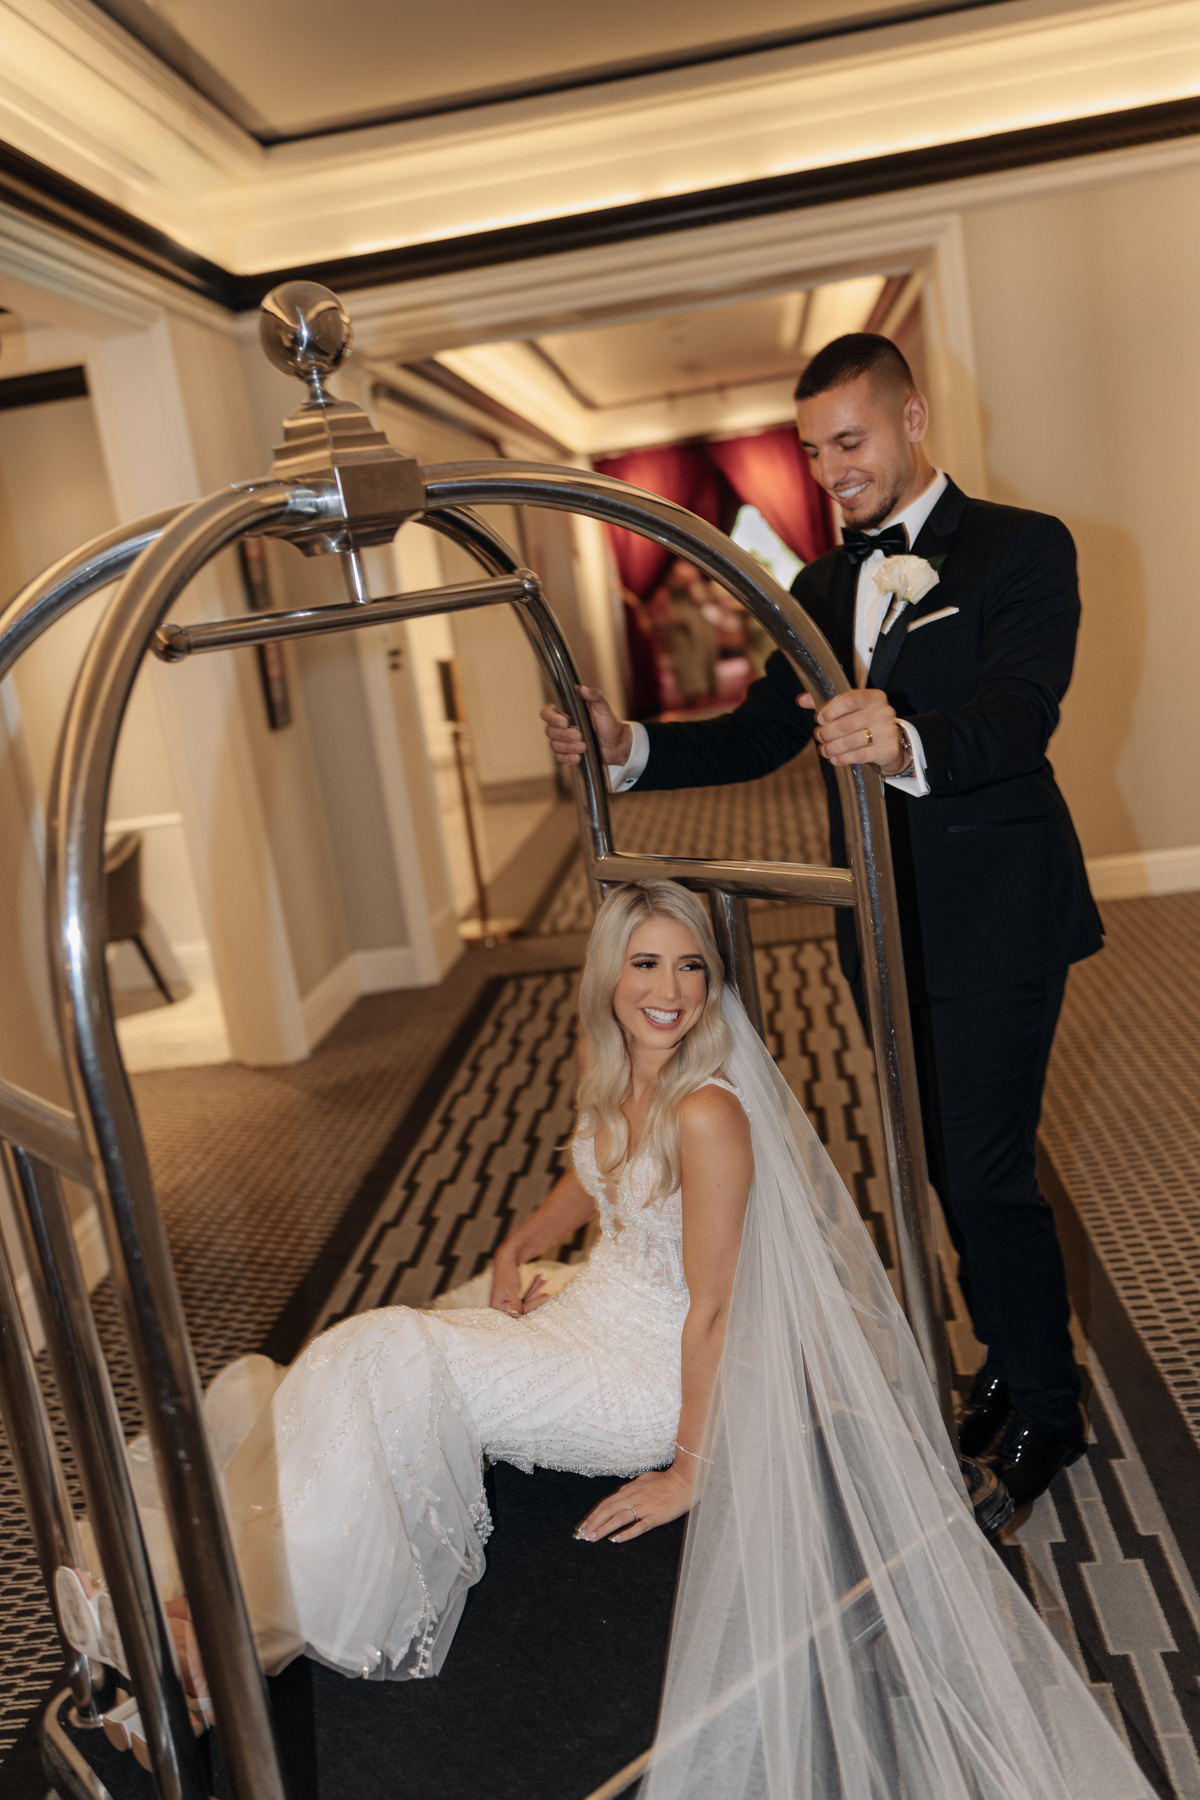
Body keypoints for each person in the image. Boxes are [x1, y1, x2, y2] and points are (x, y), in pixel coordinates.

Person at [58, 880, 1145, 1798]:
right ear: (608, 979)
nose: (672, 990)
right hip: (592, 1304)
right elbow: (593, 1171)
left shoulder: (709, 1114)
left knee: (380, 1350)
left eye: (692, 967)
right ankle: (220, 1615)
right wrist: (519, 1243)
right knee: (384, 1357)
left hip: (642, 1374)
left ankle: (215, 1630)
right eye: (647, 964)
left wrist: (690, 1467)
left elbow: (714, 1308)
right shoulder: (619, 1067)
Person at [542, 333, 1103, 1507]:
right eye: (812, 451)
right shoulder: (821, 586)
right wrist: (627, 745)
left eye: (850, 441)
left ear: (913, 419)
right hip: (880, 922)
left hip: (1000, 909)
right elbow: (763, 731)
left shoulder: (1021, 546)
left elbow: (1022, 714)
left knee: (986, 1172)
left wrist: (904, 740)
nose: (833, 470)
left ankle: (1051, 1408)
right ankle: (1011, 1358)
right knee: (937, 1159)